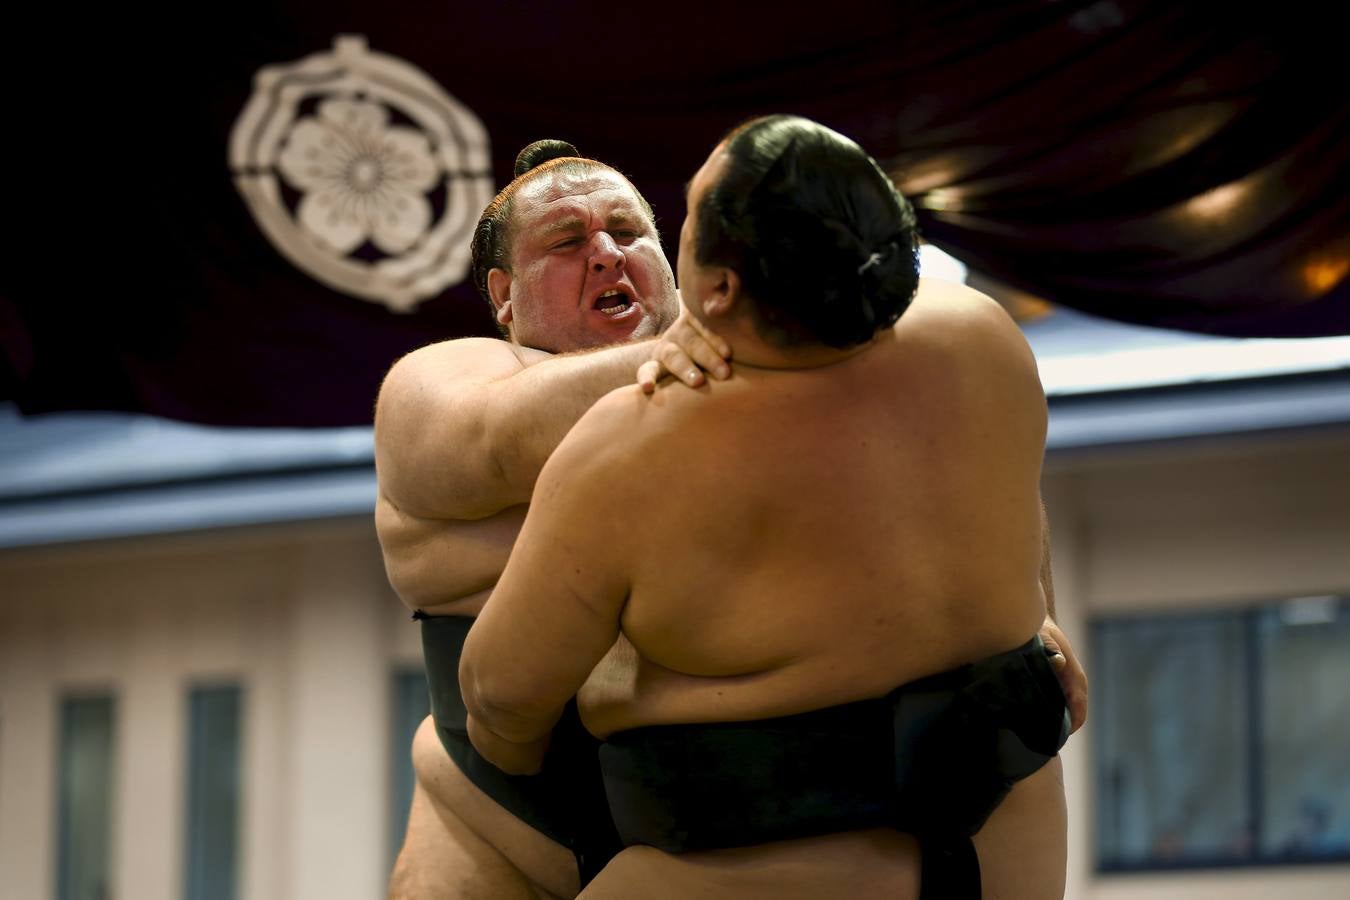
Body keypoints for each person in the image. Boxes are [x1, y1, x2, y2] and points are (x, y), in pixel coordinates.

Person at [459, 116, 1077, 899]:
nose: (609, 252)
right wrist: (1026, 626)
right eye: (567, 242)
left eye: (646, 225)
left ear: (715, 286)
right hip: (1009, 860)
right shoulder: (982, 337)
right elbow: (1009, 518)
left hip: (753, 859)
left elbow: (499, 705)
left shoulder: (629, 447)